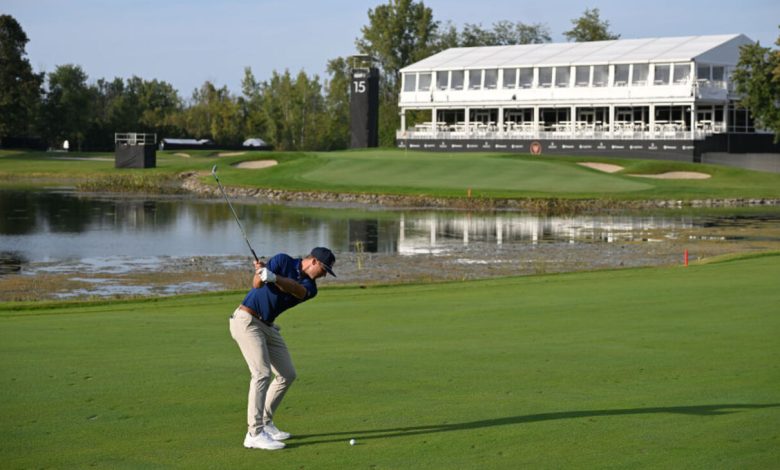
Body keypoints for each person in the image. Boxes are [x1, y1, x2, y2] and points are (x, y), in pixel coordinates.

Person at [229, 247, 336, 450]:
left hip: (267, 326)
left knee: (287, 374)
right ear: (313, 261)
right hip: (247, 321)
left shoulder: (310, 288)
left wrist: (274, 277)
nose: (323, 275)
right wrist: (261, 273)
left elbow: (296, 289)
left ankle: (266, 423)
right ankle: (254, 433)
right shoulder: (282, 260)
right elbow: (256, 285)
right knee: (261, 374)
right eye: (323, 269)